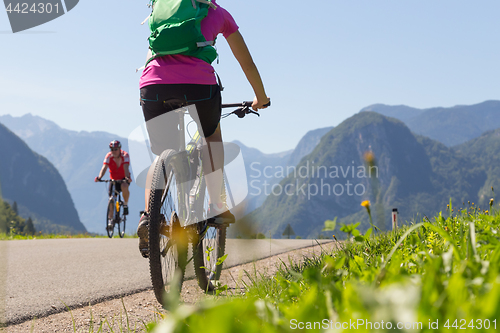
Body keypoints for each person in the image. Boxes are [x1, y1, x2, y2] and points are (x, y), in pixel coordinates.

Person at [137, 0, 270, 258]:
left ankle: (148, 216)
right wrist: (260, 98)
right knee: (211, 136)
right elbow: (247, 63)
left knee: (162, 154)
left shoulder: (162, 9)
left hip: (152, 85)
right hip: (199, 87)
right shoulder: (217, 12)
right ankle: (216, 205)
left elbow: (152, 53)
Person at [95, 141, 131, 228]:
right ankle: (110, 220)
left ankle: (125, 204)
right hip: (113, 180)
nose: (113, 151)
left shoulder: (125, 155)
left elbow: (126, 167)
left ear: (119, 149)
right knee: (111, 200)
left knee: (124, 186)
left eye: (115, 149)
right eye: (112, 149)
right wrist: (99, 177)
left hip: (123, 179)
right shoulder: (108, 156)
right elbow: (104, 167)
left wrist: (126, 178)